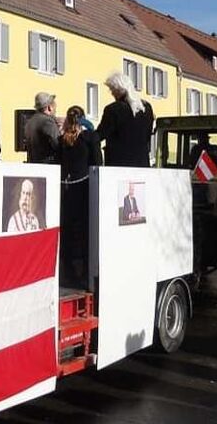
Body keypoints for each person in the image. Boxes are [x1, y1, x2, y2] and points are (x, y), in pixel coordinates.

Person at [58, 105, 102, 288]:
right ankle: (85, 273)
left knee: (67, 232)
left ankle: (67, 272)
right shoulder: (90, 138)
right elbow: (98, 163)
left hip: (66, 189)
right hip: (84, 189)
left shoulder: (61, 140)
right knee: (85, 233)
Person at [97, 72, 155, 167]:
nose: (112, 93)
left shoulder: (113, 109)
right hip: (142, 162)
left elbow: (101, 134)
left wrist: (85, 136)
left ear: (119, 89)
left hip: (119, 162)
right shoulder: (147, 108)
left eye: (112, 89)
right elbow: (148, 134)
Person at [24, 92, 59, 164]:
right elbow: (57, 143)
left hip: (34, 164)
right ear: (49, 107)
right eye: (54, 106)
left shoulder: (30, 121)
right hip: (48, 165)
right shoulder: (47, 121)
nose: (55, 109)